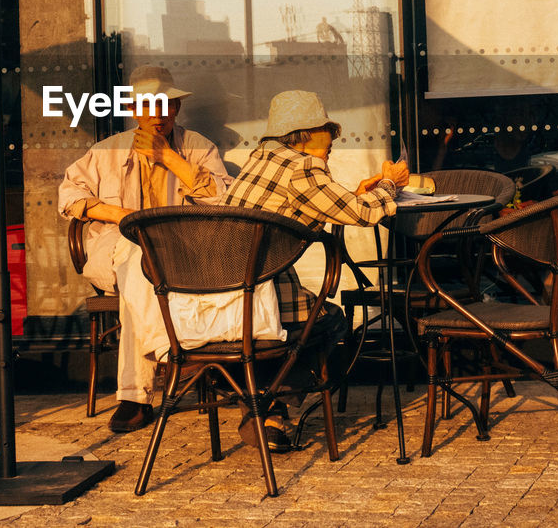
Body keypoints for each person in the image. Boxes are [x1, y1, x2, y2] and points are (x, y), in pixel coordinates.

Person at [222, 89, 410, 448]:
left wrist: (354, 194)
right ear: (305, 135)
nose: (332, 145)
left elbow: (307, 210)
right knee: (330, 322)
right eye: (328, 133)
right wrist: (390, 184)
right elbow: (363, 214)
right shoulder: (302, 166)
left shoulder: (260, 161)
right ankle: (267, 405)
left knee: (308, 323)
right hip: (262, 293)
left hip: (224, 294)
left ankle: (263, 404)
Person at [58, 66, 231, 433]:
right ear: (133, 109)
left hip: (184, 254)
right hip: (119, 251)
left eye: (167, 105)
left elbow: (225, 199)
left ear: (177, 109)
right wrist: (124, 217)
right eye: (149, 106)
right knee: (140, 256)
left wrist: (170, 159)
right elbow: (69, 196)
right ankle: (174, 354)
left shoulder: (197, 147)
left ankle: (135, 397)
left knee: (144, 281)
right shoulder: (107, 151)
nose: (159, 114)